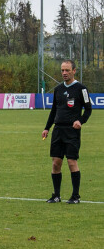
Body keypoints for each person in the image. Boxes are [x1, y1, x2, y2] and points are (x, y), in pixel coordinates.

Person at [42, 59, 92, 204]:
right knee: (56, 163)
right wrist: (47, 128)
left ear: (74, 71)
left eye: (67, 70)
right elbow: (53, 111)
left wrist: (80, 121)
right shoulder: (58, 89)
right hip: (58, 130)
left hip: (72, 131)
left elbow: (88, 109)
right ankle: (56, 195)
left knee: (71, 162)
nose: (64, 73)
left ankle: (75, 196)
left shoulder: (81, 89)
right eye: (62, 70)